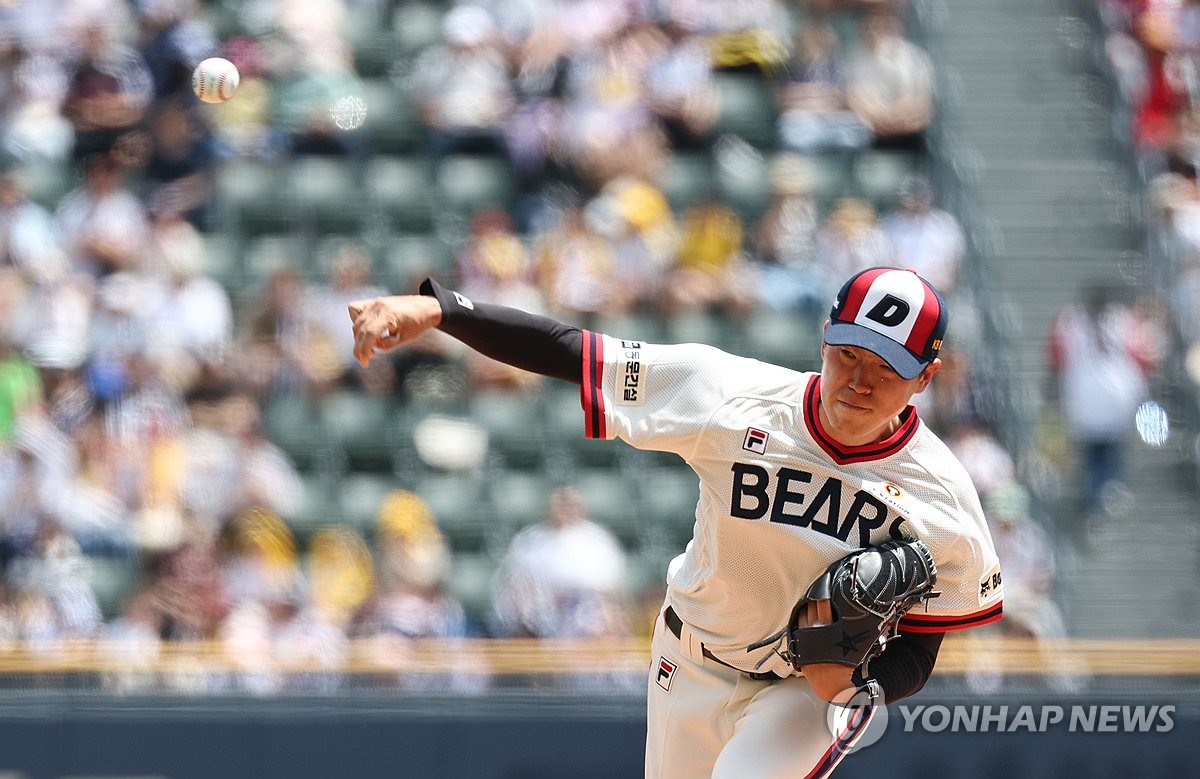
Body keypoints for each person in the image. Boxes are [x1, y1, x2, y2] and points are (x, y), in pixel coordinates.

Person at [348, 266, 1004, 778]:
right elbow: (574, 350)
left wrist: (863, 689)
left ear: (926, 379)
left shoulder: (942, 495)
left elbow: (922, 645)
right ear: (825, 336)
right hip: (688, 659)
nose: (858, 382)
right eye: (849, 355)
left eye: (887, 370)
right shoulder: (731, 394)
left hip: (804, 691)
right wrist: (440, 310)